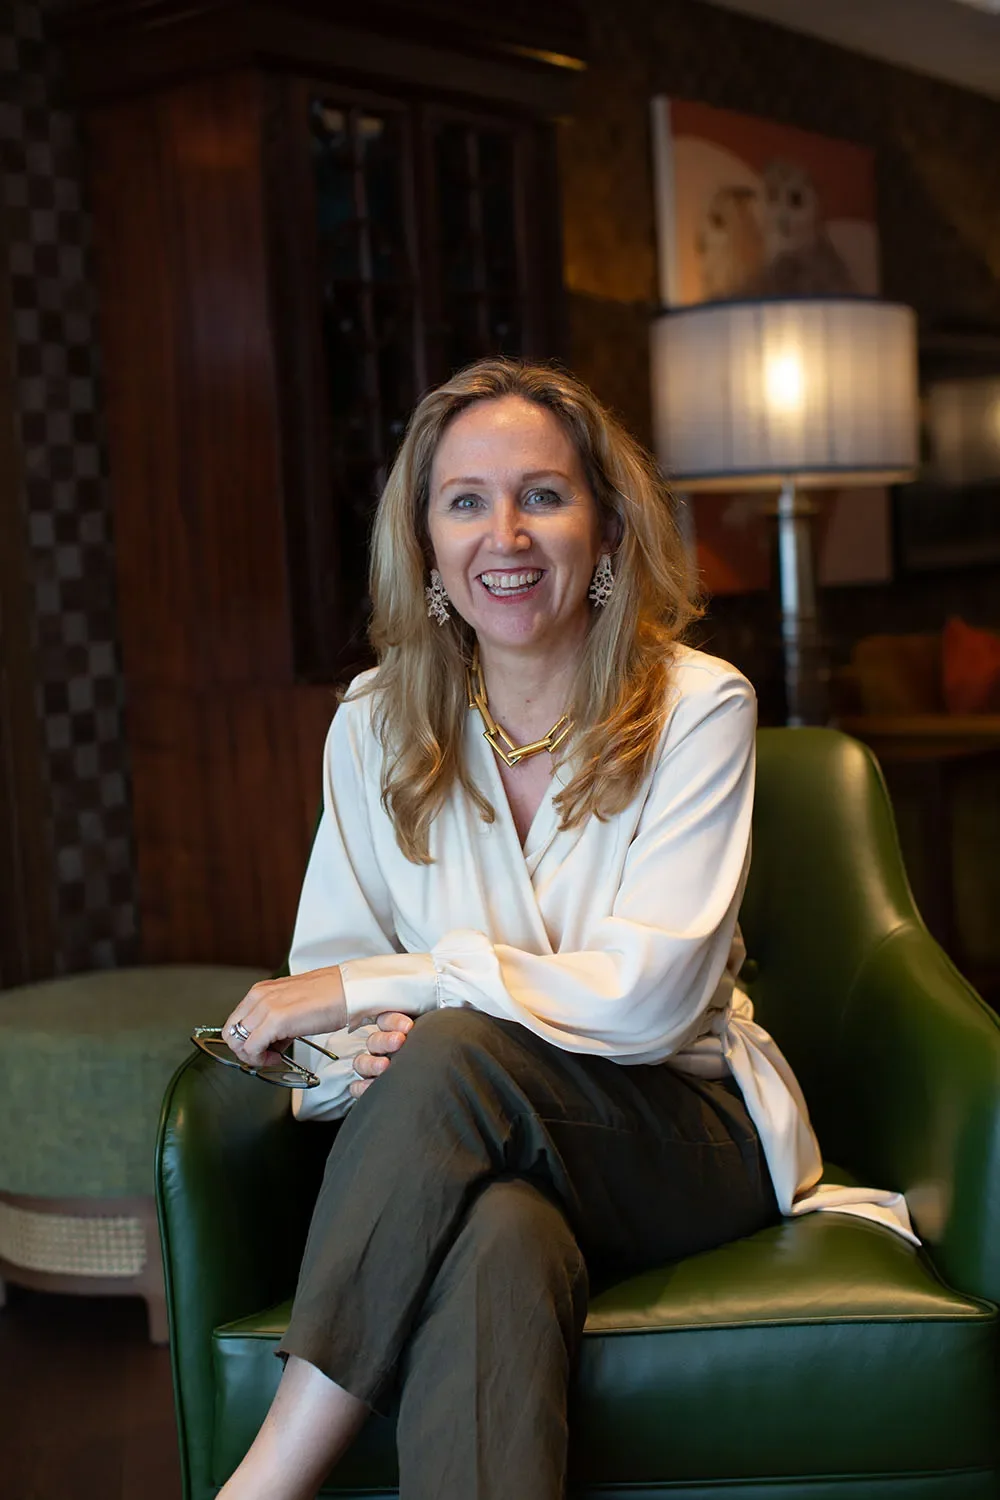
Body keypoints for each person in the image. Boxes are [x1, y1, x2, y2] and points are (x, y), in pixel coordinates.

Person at [218, 358, 914, 1500]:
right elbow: (335, 1013)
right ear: (429, 547)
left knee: (450, 1049)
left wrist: (398, 997)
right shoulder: (371, 724)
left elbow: (643, 999)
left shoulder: (701, 707)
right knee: (497, 1238)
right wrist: (363, 1036)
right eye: (465, 501)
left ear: (605, 528)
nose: (507, 533)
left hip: (683, 1134)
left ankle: (263, 1483)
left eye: (543, 495)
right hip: (478, 1146)